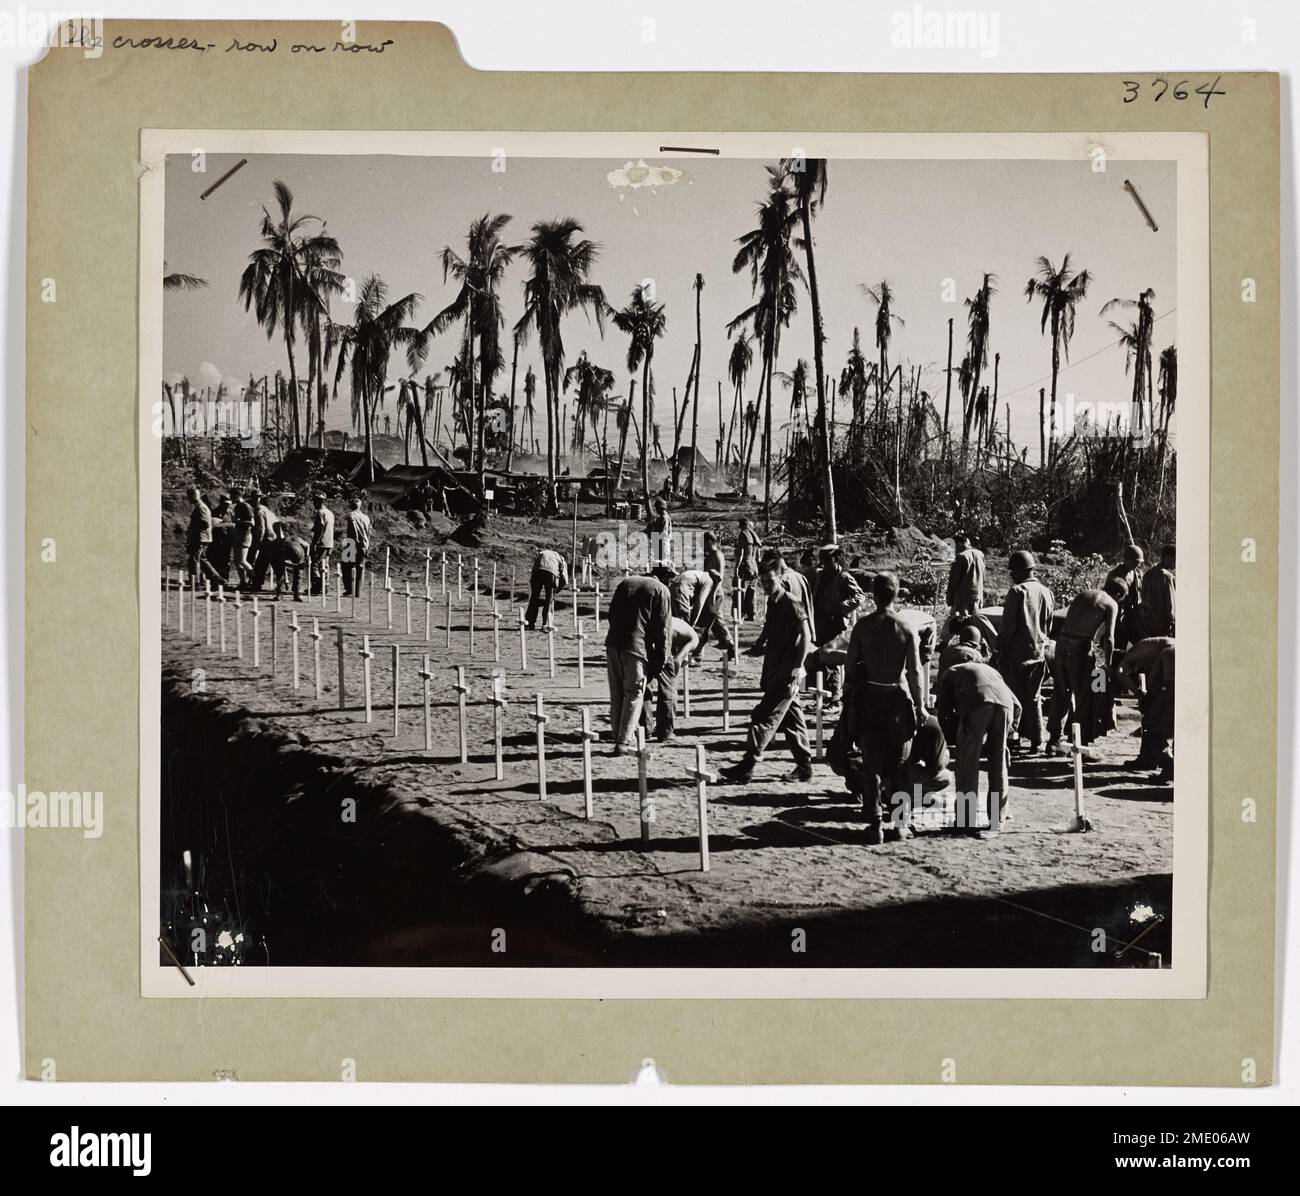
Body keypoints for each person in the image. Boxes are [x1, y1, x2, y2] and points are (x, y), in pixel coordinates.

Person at [842, 571, 926, 844]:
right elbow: (915, 672)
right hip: (898, 701)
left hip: (871, 699)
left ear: (873, 594)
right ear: (897, 593)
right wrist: (921, 706)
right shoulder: (906, 627)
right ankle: (900, 825)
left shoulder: (863, 627)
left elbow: (851, 666)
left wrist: (850, 695)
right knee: (901, 765)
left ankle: (875, 824)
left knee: (872, 764)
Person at [721, 558, 814, 783]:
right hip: (774, 670)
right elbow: (769, 629)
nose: (766, 585)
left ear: (780, 577)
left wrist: (797, 668)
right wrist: (758, 645)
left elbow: (806, 636)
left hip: (787, 672)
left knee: (763, 716)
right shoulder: (772, 602)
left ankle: (748, 764)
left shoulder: (792, 603)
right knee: (792, 718)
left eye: (770, 580)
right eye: (762, 581)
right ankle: (804, 766)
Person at [936, 660, 1022, 837]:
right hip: (1006, 705)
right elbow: (1018, 706)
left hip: (976, 703)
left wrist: (956, 741)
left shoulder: (949, 672)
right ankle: (997, 820)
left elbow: (943, 712)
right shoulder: (991, 671)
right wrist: (1008, 732)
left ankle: (965, 820)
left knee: (967, 763)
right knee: (998, 762)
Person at [1046, 577, 1125, 754]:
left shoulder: (1084, 593)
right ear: (1119, 594)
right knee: (1084, 696)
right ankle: (1078, 743)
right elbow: (1109, 638)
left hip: (1061, 644)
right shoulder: (1111, 603)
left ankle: (1053, 742)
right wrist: (1108, 664)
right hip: (1079, 649)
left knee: (1061, 692)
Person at [604, 569, 673, 754]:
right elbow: (663, 629)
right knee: (634, 694)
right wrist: (661, 659)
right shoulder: (661, 590)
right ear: (665, 578)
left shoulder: (627, 582)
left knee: (617, 692)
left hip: (613, 643)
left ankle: (617, 734)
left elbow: (611, 615)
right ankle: (624, 741)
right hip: (636, 647)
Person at [997, 549, 1055, 754]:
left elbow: (1007, 628)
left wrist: (999, 647)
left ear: (1020, 571)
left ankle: (1013, 739)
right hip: (1039, 653)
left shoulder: (1017, 592)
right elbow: (1048, 625)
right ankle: (1037, 742)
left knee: (1012, 698)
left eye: (1013, 572)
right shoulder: (1047, 592)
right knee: (1034, 698)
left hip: (1016, 655)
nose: (1011, 575)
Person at [810, 543, 865, 709]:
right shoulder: (821, 576)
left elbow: (860, 596)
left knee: (831, 660)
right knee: (818, 660)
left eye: (827, 560)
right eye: (822, 560)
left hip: (834, 624)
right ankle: (821, 697)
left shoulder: (844, 577)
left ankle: (834, 699)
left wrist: (842, 607)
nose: (824, 563)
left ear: (836, 559)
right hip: (819, 622)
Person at [647, 615, 701, 743]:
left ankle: (645, 729)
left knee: (646, 685)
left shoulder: (681, 625)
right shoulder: (694, 639)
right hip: (662, 639)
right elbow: (678, 659)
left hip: (647, 636)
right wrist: (672, 670)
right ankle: (665, 731)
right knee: (668, 688)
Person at [691, 530, 736, 660]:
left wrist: (712, 595)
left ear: (710, 541)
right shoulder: (710, 555)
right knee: (715, 623)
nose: (701, 546)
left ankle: (698, 652)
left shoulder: (717, 555)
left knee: (705, 623)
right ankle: (729, 647)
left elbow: (719, 577)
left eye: (703, 543)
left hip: (714, 594)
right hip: (709, 592)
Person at [1107, 543, 1146, 649]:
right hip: (1118, 615)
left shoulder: (1136, 574)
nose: (1137, 565)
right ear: (1127, 560)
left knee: (1140, 644)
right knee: (1119, 645)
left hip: (1133, 615)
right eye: (1135, 562)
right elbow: (1108, 598)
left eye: (1139, 563)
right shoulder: (1114, 574)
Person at [945, 531, 986, 632]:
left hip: (963, 598)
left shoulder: (960, 557)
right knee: (975, 621)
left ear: (959, 544)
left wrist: (950, 598)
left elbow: (954, 580)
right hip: (977, 595)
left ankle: (944, 642)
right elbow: (983, 576)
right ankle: (981, 641)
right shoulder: (980, 554)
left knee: (956, 621)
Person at [184, 486, 223, 588]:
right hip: (200, 537)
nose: (188, 499)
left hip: (200, 538)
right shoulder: (200, 507)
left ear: (193, 496)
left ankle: (195, 583)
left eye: (189, 496)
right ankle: (217, 578)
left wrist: (191, 530)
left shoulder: (201, 508)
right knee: (202, 560)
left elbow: (204, 524)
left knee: (194, 561)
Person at [525, 547, 569, 630]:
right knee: (549, 599)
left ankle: (530, 622)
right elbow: (564, 580)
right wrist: (555, 592)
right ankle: (546, 623)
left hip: (537, 571)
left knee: (534, 597)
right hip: (551, 573)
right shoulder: (561, 559)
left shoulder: (543, 553)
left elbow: (534, 570)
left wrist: (534, 587)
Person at [1141, 544, 1176, 638]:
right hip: (1162, 625)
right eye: (1175, 560)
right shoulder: (1167, 576)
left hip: (1146, 623)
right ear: (1168, 558)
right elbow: (1170, 606)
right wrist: (1173, 625)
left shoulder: (1148, 574)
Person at [270, 523, 309, 601]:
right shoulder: (280, 545)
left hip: (294, 552)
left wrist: (306, 558)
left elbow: (307, 546)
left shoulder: (300, 542)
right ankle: (280, 593)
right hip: (278, 553)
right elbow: (280, 562)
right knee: (280, 573)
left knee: (297, 572)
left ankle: (296, 593)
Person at [248, 492, 278, 592]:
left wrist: (258, 542)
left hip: (266, 540)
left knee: (260, 563)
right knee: (273, 563)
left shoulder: (258, 510)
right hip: (274, 539)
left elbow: (261, 528)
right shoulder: (269, 512)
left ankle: (257, 584)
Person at [342, 496, 372, 597]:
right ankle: (358, 591)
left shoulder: (351, 515)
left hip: (351, 542)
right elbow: (369, 532)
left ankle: (349, 588)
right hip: (363, 544)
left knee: (347, 566)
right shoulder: (366, 517)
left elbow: (344, 517)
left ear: (351, 506)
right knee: (360, 567)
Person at [734, 518, 762, 621]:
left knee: (739, 590)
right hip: (754, 566)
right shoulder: (755, 536)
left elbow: (741, 553)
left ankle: (739, 613)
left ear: (741, 525)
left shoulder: (743, 534)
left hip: (745, 565)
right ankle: (752, 614)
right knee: (752, 591)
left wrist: (736, 568)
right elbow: (759, 557)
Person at [309, 492, 334, 596]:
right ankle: (325, 587)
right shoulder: (330, 513)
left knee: (315, 565)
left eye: (314, 501)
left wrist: (314, 543)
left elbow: (319, 530)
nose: (313, 503)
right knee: (324, 565)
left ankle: (317, 587)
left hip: (322, 543)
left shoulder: (320, 513)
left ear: (318, 501)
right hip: (329, 543)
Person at [229, 488, 255, 589]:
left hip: (245, 535)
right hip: (238, 535)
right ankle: (243, 582)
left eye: (231, 496)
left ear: (237, 496)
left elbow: (252, 523)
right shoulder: (237, 506)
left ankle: (255, 580)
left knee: (243, 561)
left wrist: (238, 521)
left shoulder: (245, 506)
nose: (230, 498)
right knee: (237, 561)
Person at [647, 497, 673, 563]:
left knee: (662, 564)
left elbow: (662, 533)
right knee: (658, 564)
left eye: (657, 508)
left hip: (663, 544)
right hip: (660, 544)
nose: (656, 510)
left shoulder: (664, 518)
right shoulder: (661, 518)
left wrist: (651, 533)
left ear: (660, 508)